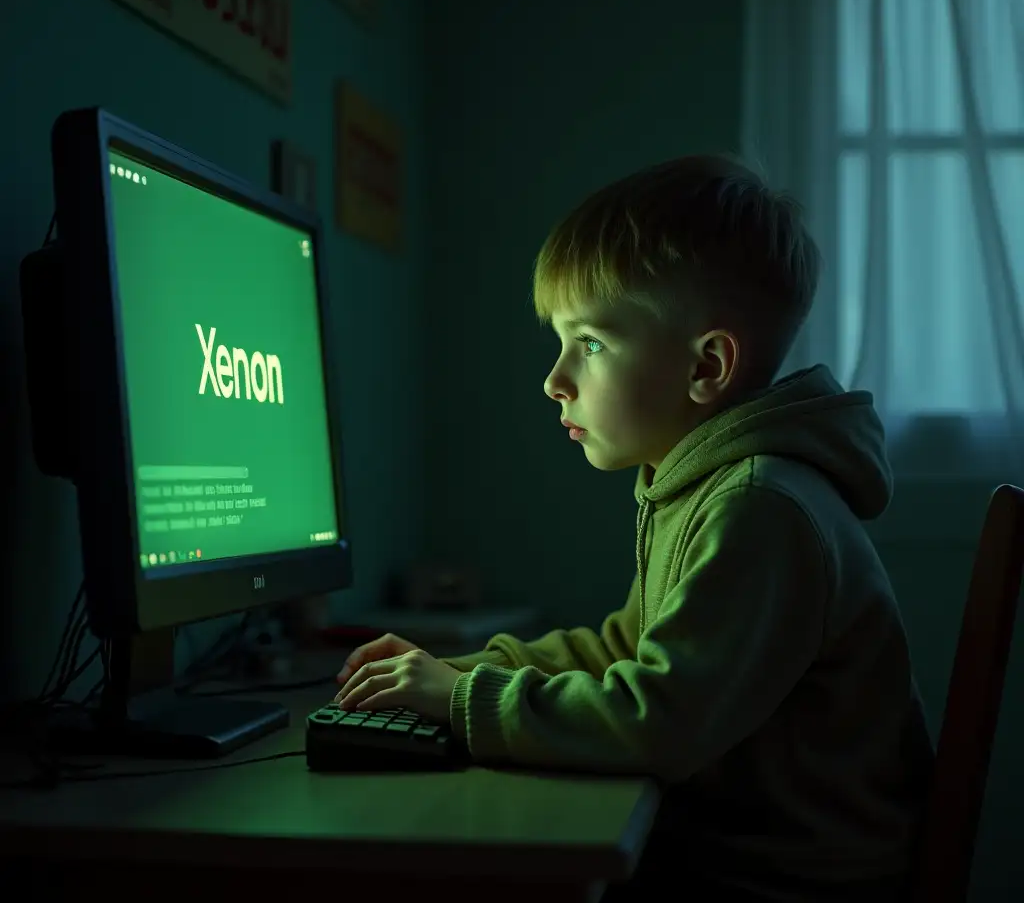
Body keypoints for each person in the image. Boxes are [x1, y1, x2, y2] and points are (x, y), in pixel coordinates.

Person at [333, 155, 935, 901]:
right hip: (740, 856)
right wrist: (465, 670)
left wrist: (461, 703)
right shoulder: (700, 483)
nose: (555, 379)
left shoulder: (760, 509)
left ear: (707, 366)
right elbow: (629, 646)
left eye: (589, 343)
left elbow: (660, 721)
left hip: (793, 882)